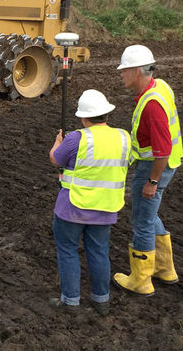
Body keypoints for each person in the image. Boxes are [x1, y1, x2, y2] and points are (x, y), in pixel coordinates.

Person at [49, 90, 131, 315]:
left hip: (73, 208)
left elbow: (57, 160)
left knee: (67, 251)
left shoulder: (77, 137)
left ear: (84, 118)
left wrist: (58, 143)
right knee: (99, 251)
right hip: (106, 208)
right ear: (106, 113)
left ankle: (71, 301)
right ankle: (101, 300)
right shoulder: (124, 137)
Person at [113, 44, 183, 296]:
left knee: (141, 221)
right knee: (149, 215)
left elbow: (162, 150)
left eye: (124, 70)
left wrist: (152, 181)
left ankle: (141, 280)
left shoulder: (151, 105)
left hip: (154, 167)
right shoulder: (160, 86)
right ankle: (165, 269)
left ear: (135, 72)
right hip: (165, 165)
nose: (121, 74)